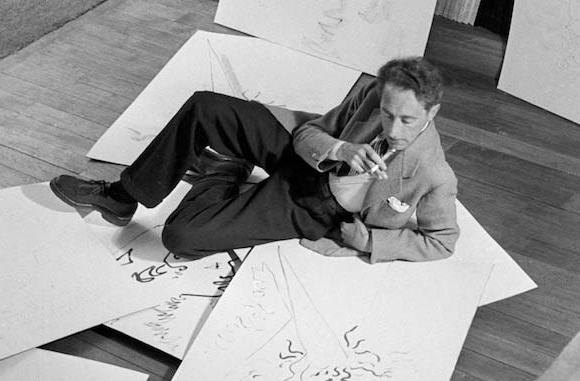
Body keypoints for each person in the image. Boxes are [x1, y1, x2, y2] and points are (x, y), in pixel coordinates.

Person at [50, 56, 459, 263]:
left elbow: (442, 242)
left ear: (433, 112)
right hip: (304, 154)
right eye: (388, 114)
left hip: (312, 207)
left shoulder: (435, 174)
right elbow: (309, 133)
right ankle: (123, 196)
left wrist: (369, 242)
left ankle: (223, 171)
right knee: (205, 107)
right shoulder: (374, 93)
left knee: (179, 238)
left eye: (407, 120)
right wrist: (340, 149)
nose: (393, 127)